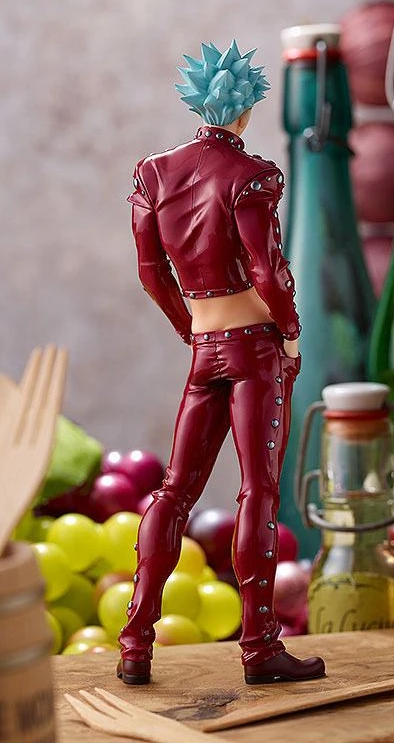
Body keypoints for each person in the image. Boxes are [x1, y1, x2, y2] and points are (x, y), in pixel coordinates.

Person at [119, 40, 326, 685]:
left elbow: (151, 272)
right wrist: (290, 334)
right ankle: (260, 647)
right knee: (257, 489)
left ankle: (135, 643)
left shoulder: (153, 174)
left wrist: (190, 329)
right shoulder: (253, 175)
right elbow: (267, 270)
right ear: (246, 107)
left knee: (174, 489)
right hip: (254, 348)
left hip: (204, 348)